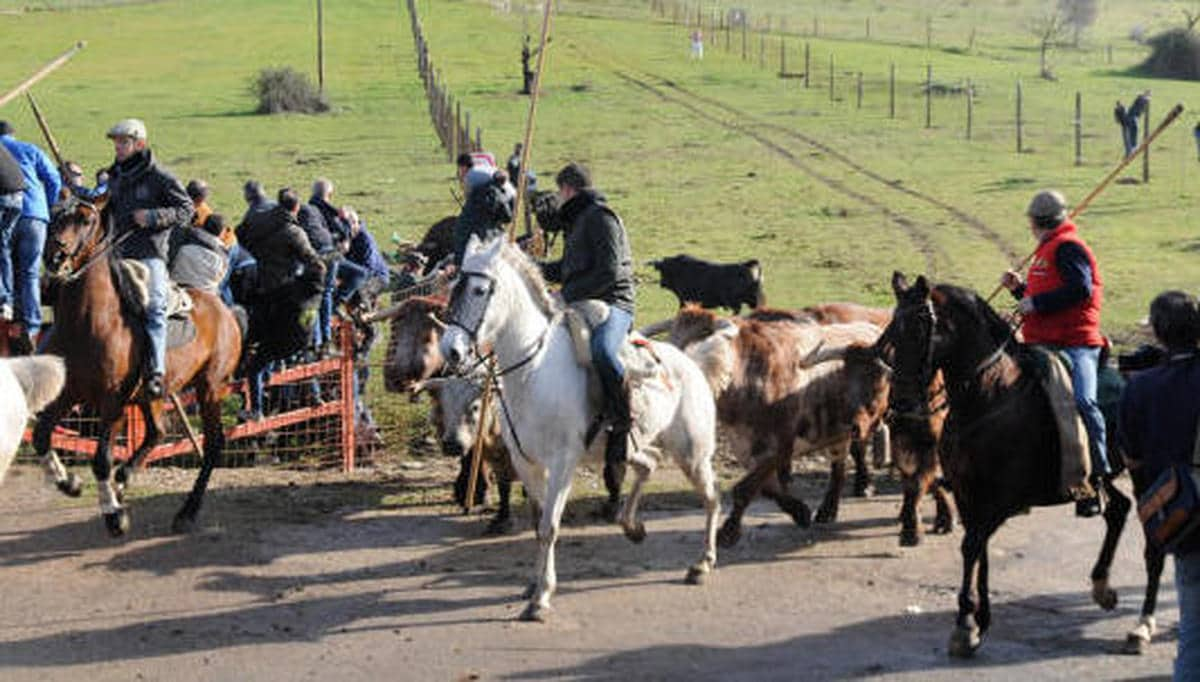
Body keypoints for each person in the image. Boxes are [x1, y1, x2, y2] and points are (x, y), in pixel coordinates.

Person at [1001, 189, 1107, 517]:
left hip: (1074, 342)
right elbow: (1045, 292)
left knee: (1083, 401)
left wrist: (1036, 302)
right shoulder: (1047, 249)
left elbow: (1080, 289)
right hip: (1040, 341)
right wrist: (1020, 289)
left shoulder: (1069, 247)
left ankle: (1097, 475)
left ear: (1036, 221)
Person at [1118, 291, 1200, 680]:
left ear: (1158, 333)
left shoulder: (1140, 386)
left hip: (1185, 513)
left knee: (1193, 634)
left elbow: (1132, 458)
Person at [541, 162, 636, 467]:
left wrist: (567, 294)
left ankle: (623, 417)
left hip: (615, 304)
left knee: (603, 351)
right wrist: (527, 264)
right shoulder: (578, 221)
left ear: (569, 189)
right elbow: (566, 269)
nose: (558, 198)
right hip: (582, 305)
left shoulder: (601, 218)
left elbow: (608, 271)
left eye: (559, 191)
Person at [104, 118, 193, 397]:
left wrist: (153, 216)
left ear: (139, 144)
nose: (118, 147)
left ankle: (156, 371)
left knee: (155, 307)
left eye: (123, 142)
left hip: (149, 253)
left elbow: (186, 210)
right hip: (115, 253)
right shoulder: (114, 176)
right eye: (116, 142)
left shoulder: (160, 177)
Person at [237, 188, 326, 420]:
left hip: (261, 286)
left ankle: (260, 389)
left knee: (261, 343)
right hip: (284, 294)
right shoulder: (294, 232)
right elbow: (313, 260)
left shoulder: (258, 220)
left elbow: (240, 234)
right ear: (296, 207)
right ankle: (313, 348)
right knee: (282, 342)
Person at [1, 121, 62, 355]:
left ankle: (6, 307)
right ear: (13, 134)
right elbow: (53, 178)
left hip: (4, 212)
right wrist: (46, 205)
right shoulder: (30, 149)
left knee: (5, 259)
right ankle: (32, 324)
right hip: (36, 216)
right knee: (30, 271)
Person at [452, 152, 514, 265]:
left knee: (462, 228)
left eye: (459, 169)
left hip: (501, 199)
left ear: (463, 167)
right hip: (508, 197)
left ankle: (462, 262)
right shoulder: (480, 169)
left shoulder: (470, 175)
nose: (459, 173)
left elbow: (470, 200)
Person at [170, 213, 229, 295]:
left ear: (203, 225)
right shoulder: (224, 255)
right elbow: (220, 278)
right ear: (222, 232)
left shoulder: (186, 236)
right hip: (206, 294)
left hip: (177, 286)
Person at [0, 145, 24, 327]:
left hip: (3, 197)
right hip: (17, 198)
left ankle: (3, 299)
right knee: (3, 249)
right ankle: (7, 301)